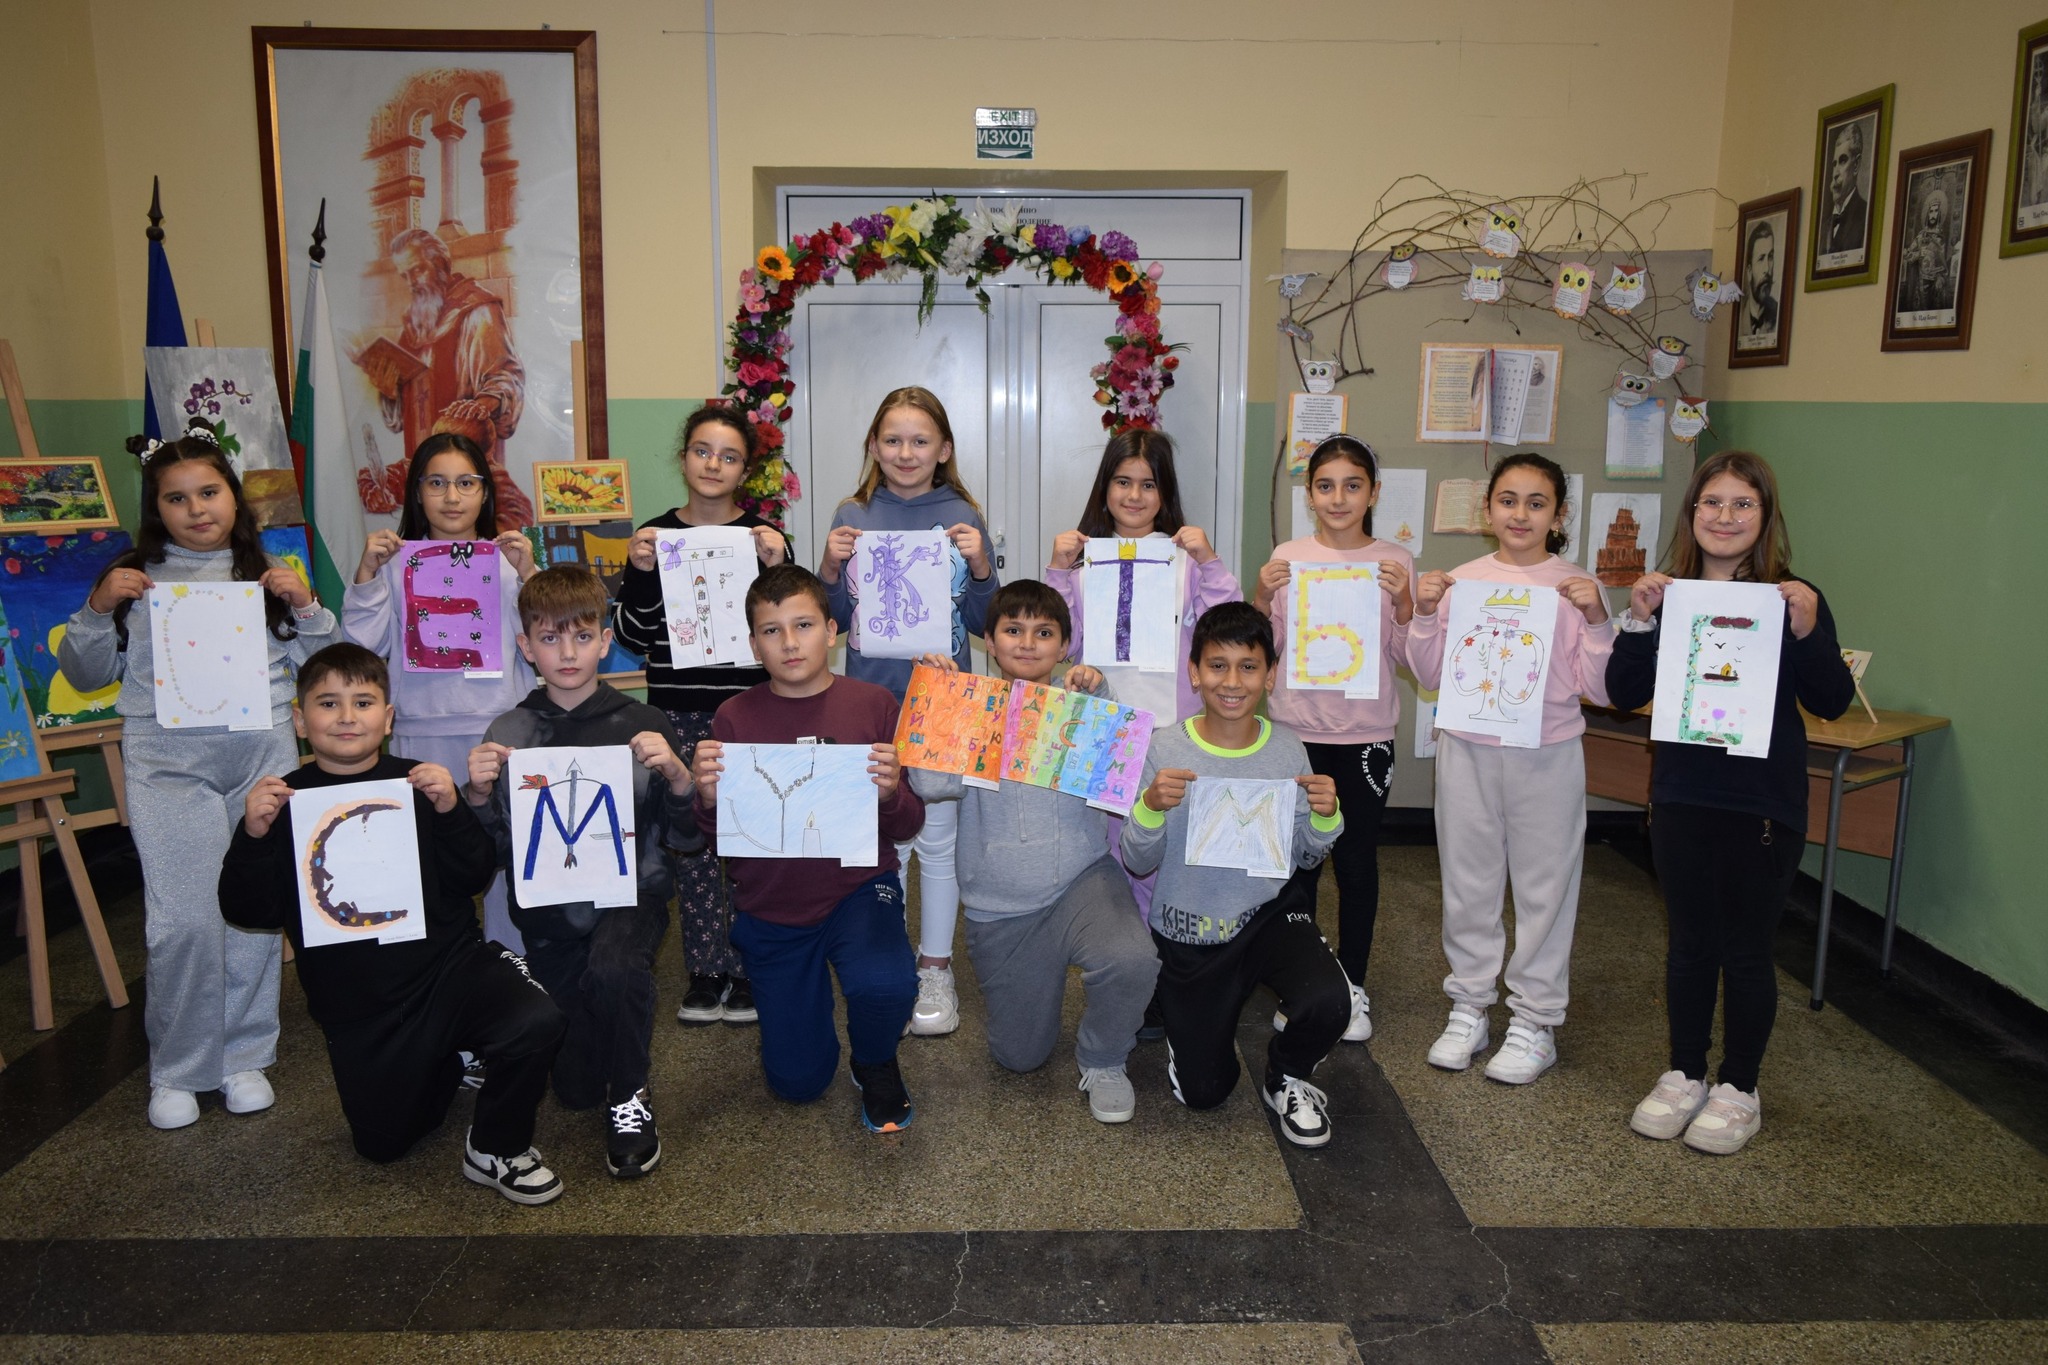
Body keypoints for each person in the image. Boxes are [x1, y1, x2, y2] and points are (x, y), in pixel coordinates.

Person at [59, 422, 339, 1130]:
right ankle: (181, 1067)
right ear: (157, 508)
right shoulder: (133, 579)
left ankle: (244, 1056)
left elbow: (329, 671)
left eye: (209, 492)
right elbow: (86, 674)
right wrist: (97, 609)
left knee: (250, 911)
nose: (196, 509)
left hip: (260, 757)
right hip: (166, 761)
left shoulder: (267, 574)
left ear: (233, 497)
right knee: (182, 919)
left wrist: (306, 606)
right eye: (176, 498)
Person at [219, 644, 568, 1205]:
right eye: (328, 703)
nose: (346, 716)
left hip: (448, 971)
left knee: (536, 1018)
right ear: (300, 721)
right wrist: (253, 837)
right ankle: (450, 1057)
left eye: (363, 702)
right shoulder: (283, 803)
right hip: (361, 1006)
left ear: (387, 718)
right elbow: (246, 910)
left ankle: (496, 1146)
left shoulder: (419, 785)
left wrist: (452, 809)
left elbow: (474, 874)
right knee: (384, 1145)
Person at [1606, 450, 1854, 1155]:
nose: (1724, 516)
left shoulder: (1793, 597)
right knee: (1689, 945)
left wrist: (1808, 632)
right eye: (1711, 502)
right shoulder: (1669, 595)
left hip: (1762, 804)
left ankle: (1740, 1087)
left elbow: (1832, 699)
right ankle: (1685, 1072)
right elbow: (1623, 692)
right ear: (1692, 513)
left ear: (1765, 516)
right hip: (1682, 796)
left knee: (1745, 951)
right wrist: (1639, 621)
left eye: (1742, 503)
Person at [465, 568, 698, 1179]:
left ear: (605, 641)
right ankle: (606, 1067)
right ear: (526, 647)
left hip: (632, 895)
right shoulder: (509, 734)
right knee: (573, 1089)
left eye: (582, 636)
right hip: (549, 914)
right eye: (549, 638)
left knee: (616, 967)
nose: (567, 653)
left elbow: (687, 839)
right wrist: (477, 796)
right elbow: (489, 855)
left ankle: (631, 1092)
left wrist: (679, 778)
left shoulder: (643, 723)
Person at [906, 582, 1160, 1124]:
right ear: (989, 642)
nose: (1027, 643)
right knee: (1019, 1057)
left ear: (1064, 646)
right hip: (1001, 906)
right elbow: (928, 784)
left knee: (1133, 958)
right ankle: (1040, 990)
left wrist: (1098, 691)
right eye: (1013, 630)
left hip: (1083, 881)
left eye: (1044, 632)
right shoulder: (972, 707)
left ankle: (1104, 1059)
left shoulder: (1078, 704)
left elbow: (1118, 764)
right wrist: (936, 701)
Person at [691, 565, 925, 1134]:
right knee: (797, 1083)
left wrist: (890, 794)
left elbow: (909, 822)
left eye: (803, 625)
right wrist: (707, 797)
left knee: (888, 984)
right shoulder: (734, 717)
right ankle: (805, 1019)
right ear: (754, 645)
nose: (789, 643)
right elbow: (717, 837)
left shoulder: (874, 705)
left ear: (832, 631)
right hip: (772, 906)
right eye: (771, 631)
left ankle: (874, 1059)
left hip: (858, 888)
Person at [1406, 454, 1615, 1084]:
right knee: (1467, 881)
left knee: (1545, 887)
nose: (1520, 514)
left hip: (1546, 754)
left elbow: (1603, 690)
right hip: (1468, 749)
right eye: (1507, 500)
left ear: (1559, 515)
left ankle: (1535, 1020)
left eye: (1536, 502)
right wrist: (1423, 613)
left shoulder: (1576, 587)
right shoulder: (1462, 582)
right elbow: (1429, 673)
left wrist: (1599, 620)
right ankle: (1470, 1005)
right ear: (1488, 508)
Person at [1121, 603, 1347, 1147]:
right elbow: (1137, 859)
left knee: (1331, 1001)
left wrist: (1325, 817)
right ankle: (1184, 1032)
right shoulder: (1163, 747)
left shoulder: (1287, 747)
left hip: (1268, 916)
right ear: (1194, 672)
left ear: (1270, 676)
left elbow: (1306, 856)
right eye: (1217, 665)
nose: (1232, 681)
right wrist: (1149, 806)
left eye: (1249, 667)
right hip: (1190, 931)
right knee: (1205, 1092)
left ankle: (1287, 1076)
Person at [818, 386, 999, 1039]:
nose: (905, 452)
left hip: (946, 702)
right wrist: (829, 566)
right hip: (870, 701)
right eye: (892, 440)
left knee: (940, 841)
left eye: (920, 440)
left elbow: (985, 623)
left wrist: (982, 564)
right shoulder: (853, 513)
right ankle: (891, 965)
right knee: (884, 841)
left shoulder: (962, 514)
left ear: (943, 449)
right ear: (873, 445)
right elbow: (831, 622)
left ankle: (935, 968)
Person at [611, 405, 792, 1029]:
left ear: (746, 470)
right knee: (691, 847)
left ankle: (748, 966)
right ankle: (705, 969)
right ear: (683, 457)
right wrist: (639, 572)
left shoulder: (766, 536)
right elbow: (631, 638)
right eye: (702, 451)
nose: (714, 464)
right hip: (676, 712)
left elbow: (788, 629)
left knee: (751, 842)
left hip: (751, 713)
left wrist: (777, 563)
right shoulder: (654, 536)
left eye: (729, 456)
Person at [343, 432, 539, 953]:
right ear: (417, 493)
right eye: (436, 483)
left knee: (507, 865)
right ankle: (439, 976)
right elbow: (362, 651)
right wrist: (366, 575)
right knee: (427, 862)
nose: (452, 497)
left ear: (485, 492)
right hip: (420, 733)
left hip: (501, 732)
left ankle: (511, 977)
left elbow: (542, 644)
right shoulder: (391, 563)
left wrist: (528, 574)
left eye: (465, 483)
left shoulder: (508, 562)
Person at [1253, 435, 1414, 1045]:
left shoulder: (1394, 561)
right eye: (1325, 486)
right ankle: (1304, 983)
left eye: (1353, 485)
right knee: (1297, 862)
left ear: (1373, 492)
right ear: (1309, 494)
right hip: (1294, 734)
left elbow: (1409, 656)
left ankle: (1352, 982)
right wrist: (1262, 595)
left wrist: (1406, 604)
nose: (1339, 498)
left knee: (1356, 862)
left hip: (1365, 737)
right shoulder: (1289, 557)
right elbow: (1264, 650)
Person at [1044, 429, 1242, 730]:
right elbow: (1064, 645)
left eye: (1148, 485)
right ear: (1105, 486)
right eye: (1123, 482)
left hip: (1175, 728)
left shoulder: (1189, 564)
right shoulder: (1079, 566)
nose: (1134, 496)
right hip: (1096, 724)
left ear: (1165, 492)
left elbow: (1230, 632)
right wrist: (1058, 572)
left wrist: (1209, 563)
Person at [358, 227, 532, 526]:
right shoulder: (415, 322)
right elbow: (405, 406)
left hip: (469, 462)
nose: (412, 283)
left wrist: (480, 406)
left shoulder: (477, 310)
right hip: (425, 465)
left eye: (417, 270)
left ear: (440, 265)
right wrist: (390, 391)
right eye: (405, 276)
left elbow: (506, 375)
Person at [1899, 189, 1955, 314]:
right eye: (1931, 211)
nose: (1933, 215)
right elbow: (1907, 255)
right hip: (1920, 283)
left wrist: (1940, 278)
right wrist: (1919, 254)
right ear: (1928, 214)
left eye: (1936, 211)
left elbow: (1942, 262)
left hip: (1935, 282)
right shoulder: (1920, 236)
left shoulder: (1940, 238)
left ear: (1939, 214)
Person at [1822, 122, 1870, 259]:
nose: (1835, 173)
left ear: (1856, 165)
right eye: (1834, 164)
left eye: (1843, 161)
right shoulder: (1824, 226)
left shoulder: (1865, 217)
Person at [1738, 219, 1779, 347]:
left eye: (1770, 257)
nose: (1767, 269)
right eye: (1761, 259)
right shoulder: (1739, 319)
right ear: (1749, 271)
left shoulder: (1777, 315)